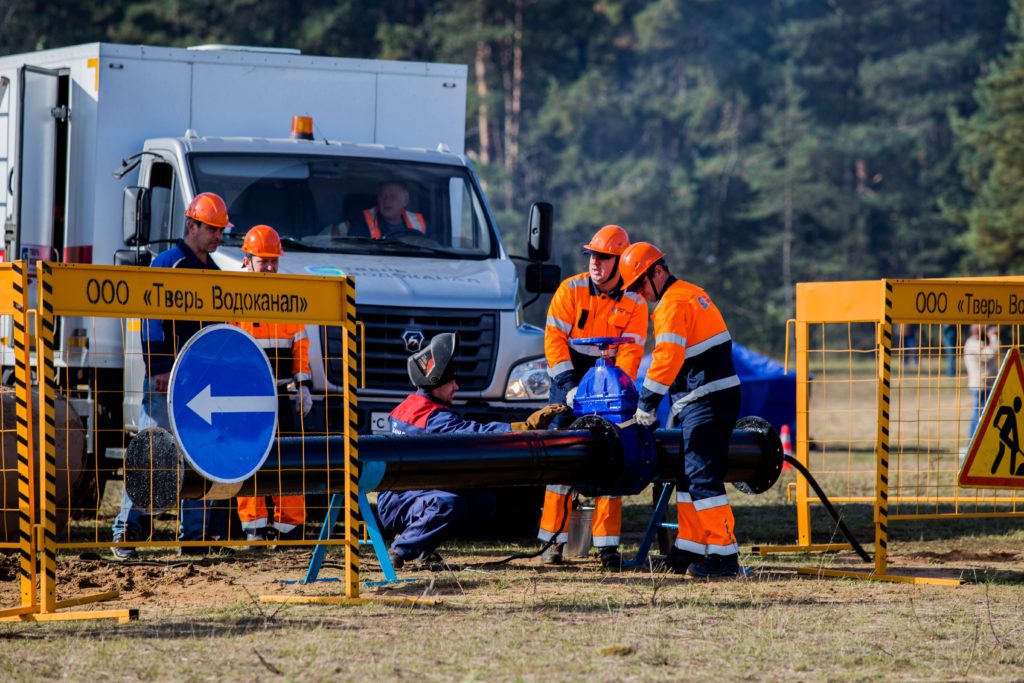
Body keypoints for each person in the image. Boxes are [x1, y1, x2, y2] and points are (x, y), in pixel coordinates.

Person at [112, 192, 232, 559]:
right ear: (191, 225)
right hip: (166, 381)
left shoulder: (214, 274)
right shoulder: (168, 264)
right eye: (211, 229)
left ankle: (192, 540)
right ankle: (126, 533)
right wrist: (160, 368)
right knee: (153, 455)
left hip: (198, 385)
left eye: (220, 230)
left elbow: (215, 336)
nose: (217, 236)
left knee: (197, 459)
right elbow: (152, 324)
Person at [381, 332, 567, 568]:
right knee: (449, 505)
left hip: (407, 492)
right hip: (399, 500)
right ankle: (400, 549)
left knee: (482, 503)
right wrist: (522, 428)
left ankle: (422, 545)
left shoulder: (409, 405)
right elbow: (476, 431)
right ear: (435, 381)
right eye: (451, 381)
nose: (456, 386)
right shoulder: (432, 418)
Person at [619, 242, 743, 579]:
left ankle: (723, 555)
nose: (640, 294)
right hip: (705, 397)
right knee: (689, 476)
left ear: (657, 271)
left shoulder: (672, 304)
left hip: (707, 398)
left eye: (641, 285)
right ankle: (689, 546)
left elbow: (666, 359)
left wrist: (646, 404)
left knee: (702, 476)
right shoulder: (691, 293)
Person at [537, 225, 648, 569]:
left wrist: (616, 391)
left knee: (613, 456)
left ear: (620, 262)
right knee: (559, 458)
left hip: (610, 383)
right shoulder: (570, 290)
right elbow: (554, 340)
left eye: (604, 257)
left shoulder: (635, 301)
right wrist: (569, 384)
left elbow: (631, 354)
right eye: (592, 256)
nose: (595, 263)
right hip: (570, 379)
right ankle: (551, 542)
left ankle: (607, 547)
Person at [232, 225, 312, 544]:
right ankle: (255, 527)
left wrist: (303, 386)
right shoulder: (232, 297)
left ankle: (290, 528)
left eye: (273, 261)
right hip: (244, 398)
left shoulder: (287, 297)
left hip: (281, 393)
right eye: (263, 260)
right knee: (249, 461)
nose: (269, 267)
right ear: (246, 259)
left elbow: (300, 344)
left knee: (288, 460)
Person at [325, 181, 427, 239]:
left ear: (405, 200)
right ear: (377, 199)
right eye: (383, 196)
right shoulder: (363, 220)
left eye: (393, 196)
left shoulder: (419, 222)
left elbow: (433, 246)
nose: (387, 200)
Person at [964, 324, 999, 442]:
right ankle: (973, 441)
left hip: (985, 383)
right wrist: (993, 337)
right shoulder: (973, 344)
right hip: (980, 385)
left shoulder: (976, 343)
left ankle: (978, 441)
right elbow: (990, 354)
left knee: (982, 414)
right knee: (979, 415)